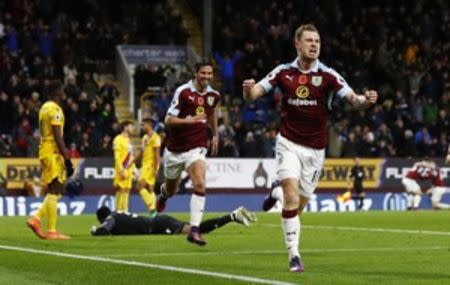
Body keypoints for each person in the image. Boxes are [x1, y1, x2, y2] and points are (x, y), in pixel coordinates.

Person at [243, 24, 378, 272]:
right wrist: (247, 90)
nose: (314, 45)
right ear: (297, 44)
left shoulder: (328, 75)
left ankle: (276, 193)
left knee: (297, 207)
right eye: (309, 41)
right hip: (288, 143)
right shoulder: (283, 72)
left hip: (315, 151)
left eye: (317, 41)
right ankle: (294, 256)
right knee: (293, 199)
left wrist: (365, 101)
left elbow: (353, 100)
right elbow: (254, 94)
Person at [156, 62, 220, 246]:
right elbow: (168, 120)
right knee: (171, 190)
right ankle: (164, 195)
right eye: (203, 73)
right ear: (196, 73)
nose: (206, 77)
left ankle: (194, 230)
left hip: (197, 147)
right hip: (174, 150)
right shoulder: (183, 92)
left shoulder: (213, 95)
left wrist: (214, 134)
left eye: (209, 74)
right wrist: (189, 120)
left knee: (200, 184)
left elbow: (212, 112)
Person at [26, 81, 74, 240]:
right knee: (56, 190)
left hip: (45, 151)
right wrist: (67, 159)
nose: (64, 94)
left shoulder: (44, 108)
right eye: (62, 91)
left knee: (56, 190)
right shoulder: (55, 109)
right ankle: (52, 231)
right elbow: (57, 136)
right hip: (53, 152)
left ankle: (36, 219)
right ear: (57, 93)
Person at [90, 205, 256, 236]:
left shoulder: (110, 218)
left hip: (158, 225)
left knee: (194, 230)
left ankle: (231, 216)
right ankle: (232, 216)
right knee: (194, 229)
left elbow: (105, 228)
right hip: (158, 222)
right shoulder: (116, 214)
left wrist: (95, 231)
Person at [131, 118, 162, 216]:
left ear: (149, 125)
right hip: (145, 165)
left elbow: (157, 155)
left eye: (143, 125)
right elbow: (140, 152)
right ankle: (153, 212)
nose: (142, 127)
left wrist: (156, 168)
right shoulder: (144, 137)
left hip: (150, 166)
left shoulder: (156, 137)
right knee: (150, 189)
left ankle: (152, 208)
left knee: (139, 186)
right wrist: (131, 161)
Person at [112, 120, 136, 212]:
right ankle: (118, 211)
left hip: (129, 169)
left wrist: (134, 170)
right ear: (125, 127)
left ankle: (125, 211)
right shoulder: (118, 139)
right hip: (122, 168)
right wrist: (121, 170)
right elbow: (117, 157)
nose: (132, 128)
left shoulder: (129, 140)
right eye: (131, 126)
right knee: (120, 190)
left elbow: (131, 156)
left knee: (127, 190)